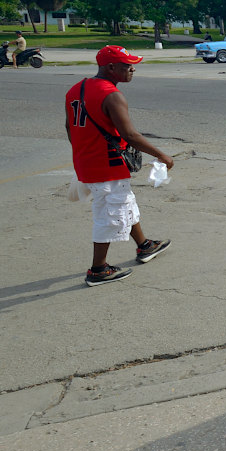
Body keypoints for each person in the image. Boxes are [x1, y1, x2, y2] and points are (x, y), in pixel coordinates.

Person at [65, 46, 174, 286]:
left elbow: (69, 128)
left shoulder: (76, 89)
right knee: (110, 215)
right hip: (106, 164)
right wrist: (162, 156)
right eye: (127, 65)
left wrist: (84, 155)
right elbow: (131, 135)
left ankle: (144, 245)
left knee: (123, 202)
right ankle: (98, 270)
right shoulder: (111, 95)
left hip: (88, 161)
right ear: (111, 68)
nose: (132, 68)